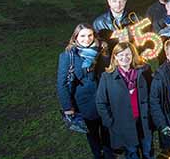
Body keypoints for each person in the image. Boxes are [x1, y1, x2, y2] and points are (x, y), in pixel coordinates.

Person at [56, 23, 113, 159]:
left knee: (107, 129)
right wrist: (67, 107)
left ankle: (109, 154)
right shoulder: (68, 56)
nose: (86, 39)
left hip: (105, 98)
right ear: (75, 37)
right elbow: (62, 83)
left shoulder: (102, 50)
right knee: (92, 133)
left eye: (89, 35)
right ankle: (98, 154)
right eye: (82, 36)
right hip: (84, 102)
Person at [96, 42, 153, 159]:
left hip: (143, 122)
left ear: (133, 55)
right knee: (132, 154)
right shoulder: (107, 77)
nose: (124, 58)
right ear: (115, 57)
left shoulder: (143, 72)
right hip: (123, 125)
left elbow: (153, 94)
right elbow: (101, 102)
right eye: (120, 55)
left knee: (148, 152)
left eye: (128, 54)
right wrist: (111, 123)